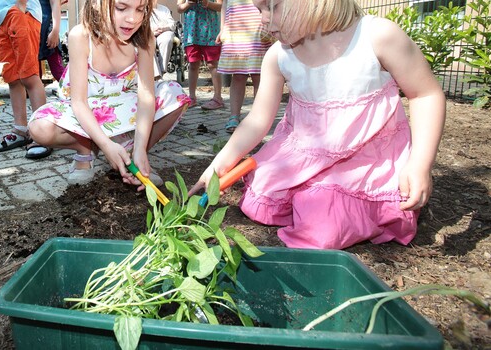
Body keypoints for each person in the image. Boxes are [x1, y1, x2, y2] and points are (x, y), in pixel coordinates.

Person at [189, 0, 446, 250]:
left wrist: (419, 164)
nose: (264, 18)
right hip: (307, 152)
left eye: (273, 6)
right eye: (259, 9)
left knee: (325, 224)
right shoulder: (278, 55)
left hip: (365, 159)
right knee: (260, 197)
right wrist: (218, 165)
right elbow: (257, 120)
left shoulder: (377, 36)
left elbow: (425, 94)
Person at [27, 0, 191, 186]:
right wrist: (106, 145)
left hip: (122, 105)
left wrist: (141, 148)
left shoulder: (145, 39)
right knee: (39, 127)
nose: (132, 19)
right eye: (121, 8)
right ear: (97, 3)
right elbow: (79, 102)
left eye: (140, 9)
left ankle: (131, 156)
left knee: (174, 94)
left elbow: (146, 95)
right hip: (85, 108)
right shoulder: (80, 36)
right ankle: (85, 149)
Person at [0, 0, 53, 159]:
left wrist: (20, 7)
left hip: (21, 12)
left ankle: (42, 134)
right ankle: (20, 130)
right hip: (2, 18)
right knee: (12, 78)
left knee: (29, 76)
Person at [216, 0, 272, 133]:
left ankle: (259, 118)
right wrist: (222, 29)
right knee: (238, 75)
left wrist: (268, 20)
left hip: (257, 29)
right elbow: (224, 4)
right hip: (235, 31)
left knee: (258, 76)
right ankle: (234, 116)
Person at [177, 0, 224, 110]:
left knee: (213, 64)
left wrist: (207, 3)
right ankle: (192, 97)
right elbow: (179, 8)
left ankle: (218, 98)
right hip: (191, 33)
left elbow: (221, 6)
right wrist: (189, 3)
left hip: (211, 32)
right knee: (193, 64)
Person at [38, 0, 65, 82]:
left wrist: (55, 31)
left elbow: (55, 3)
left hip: (48, 31)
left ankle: (74, 90)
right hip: (32, 31)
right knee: (34, 73)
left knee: (57, 70)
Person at [150, 2, 176, 78]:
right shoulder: (142, 10)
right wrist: (152, 32)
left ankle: (161, 70)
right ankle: (157, 74)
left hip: (164, 32)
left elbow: (172, 24)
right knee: (147, 43)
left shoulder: (164, 9)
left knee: (167, 40)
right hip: (149, 33)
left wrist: (164, 28)